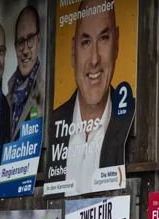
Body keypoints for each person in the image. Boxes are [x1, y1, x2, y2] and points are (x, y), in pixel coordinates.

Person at [46, 0, 132, 193]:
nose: (94, 59)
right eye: (85, 42)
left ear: (116, 43)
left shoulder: (131, 116)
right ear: (72, 52)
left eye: (103, 38)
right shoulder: (52, 123)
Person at [7, 5, 44, 140]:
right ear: (15, 47)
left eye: (30, 39)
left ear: (38, 40)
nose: (26, 50)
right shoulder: (6, 101)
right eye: (21, 42)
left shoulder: (47, 93)